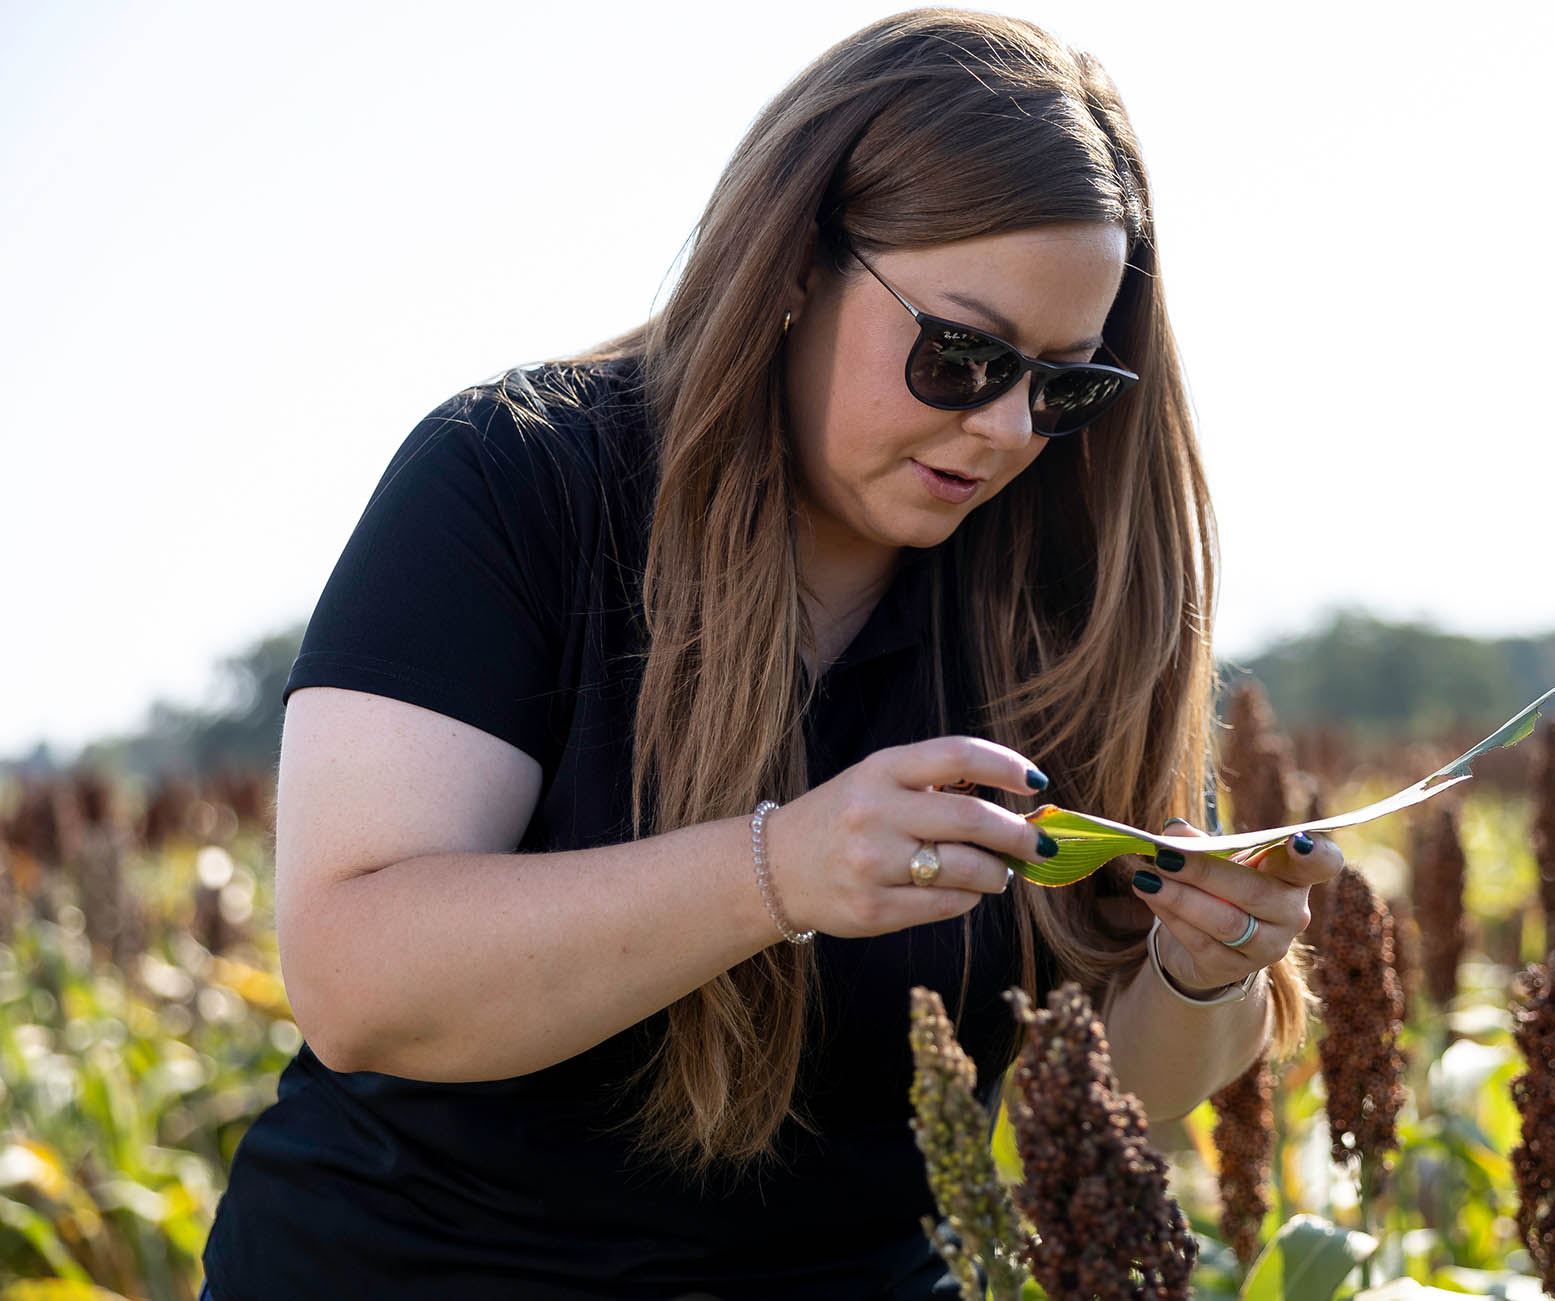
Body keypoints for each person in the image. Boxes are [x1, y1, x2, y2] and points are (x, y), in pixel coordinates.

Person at [196, 9, 1337, 1297]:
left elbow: (1074, 1111)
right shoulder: (518, 479)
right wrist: (777, 871)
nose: (1010, 427)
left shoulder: (1067, 603)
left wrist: (1199, 974)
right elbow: (358, 980)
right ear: (797, 263)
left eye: (1065, 385)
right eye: (960, 355)